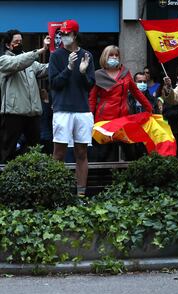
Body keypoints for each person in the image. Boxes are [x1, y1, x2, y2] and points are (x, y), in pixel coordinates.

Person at [48, 19, 95, 197]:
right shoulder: (56, 56)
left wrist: (83, 73)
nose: (63, 36)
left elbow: (90, 85)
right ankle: (56, 192)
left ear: (75, 35)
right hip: (62, 109)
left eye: (67, 33)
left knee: (81, 152)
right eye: (61, 33)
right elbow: (54, 84)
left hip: (82, 109)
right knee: (58, 153)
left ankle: (81, 194)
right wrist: (68, 68)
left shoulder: (87, 56)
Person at [89, 45, 153, 162]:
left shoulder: (125, 72)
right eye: (111, 55)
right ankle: (103, 179)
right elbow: (92, 99)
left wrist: (150, 109)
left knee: (130, 152)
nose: (114, 57)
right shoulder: (98, 75)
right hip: (104, 119)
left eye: (116, 55)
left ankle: (128, 179)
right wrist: (89, 118)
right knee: (104, 154)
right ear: (105, 57)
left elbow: (136, 92)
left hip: (123, 118)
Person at [0, 29, 50, 162]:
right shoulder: (3, 60)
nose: (19, 43)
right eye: (16, 42)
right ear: (7, 45)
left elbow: (44, 69)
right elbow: (18, 63)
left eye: (21, 41)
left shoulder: (30, 61)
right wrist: (40, 50)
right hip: (13, 113)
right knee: (8, 150)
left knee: (35, 150)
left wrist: (62, 61)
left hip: (32, 113)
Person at [39, 89, 53, 154]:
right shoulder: (39, 106)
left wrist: (46, 101)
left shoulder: (48, 105)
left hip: (47, 135)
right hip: (44, 135)